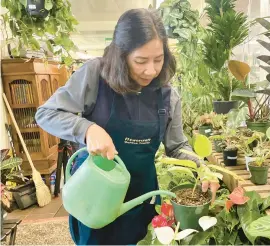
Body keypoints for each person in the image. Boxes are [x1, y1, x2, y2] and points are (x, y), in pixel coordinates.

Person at [35, 8, 218, 245]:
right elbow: (46, 113)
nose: (151, 70)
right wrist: (88, 129)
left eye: (158, 59)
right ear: (121, 55)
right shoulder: (95, 76)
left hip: (142, 199)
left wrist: (203, 169)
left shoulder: (167, 96)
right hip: (96, 199)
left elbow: (177, 146)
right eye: (140, 61)